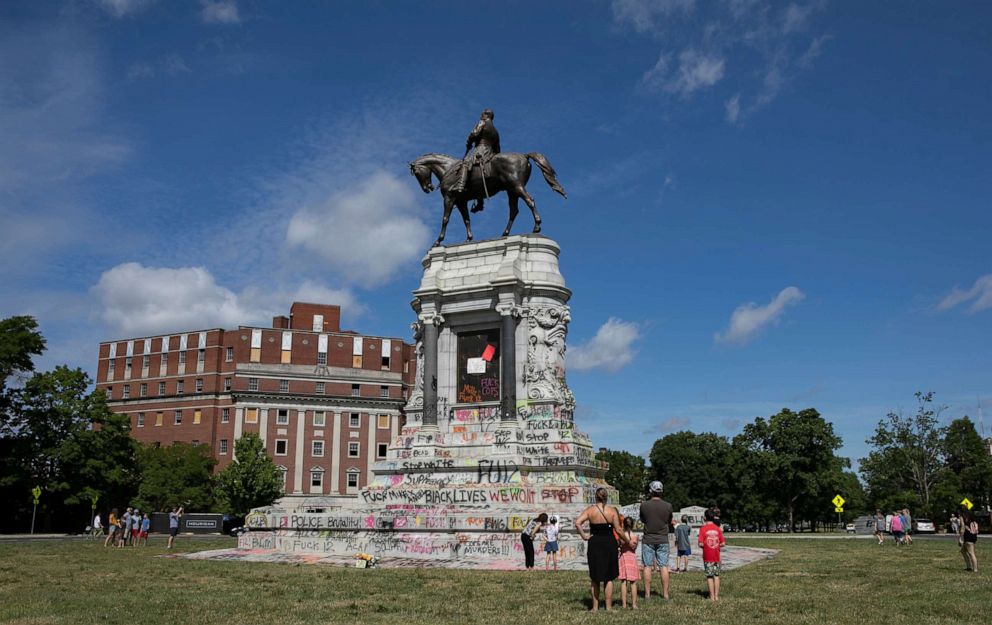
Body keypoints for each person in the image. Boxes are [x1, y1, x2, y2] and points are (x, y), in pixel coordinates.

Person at [576, 487, 633, 612]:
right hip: (609, 543)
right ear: (606, 497)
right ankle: (608, 607)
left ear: (595, 497)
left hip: (594, 542)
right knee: (608, 577)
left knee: (595, 577)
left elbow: (577, 523)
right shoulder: (612, 511)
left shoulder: (590, 510)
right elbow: (618, 530)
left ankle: (595, 607)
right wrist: (628, 541)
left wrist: (584, 536)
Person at [451, 108, 501, 213]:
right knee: (478, 174)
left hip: (481, 150)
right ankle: (480, 202)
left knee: (465, 162)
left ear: (487, 115)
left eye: (482, 114)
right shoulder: (496, 131)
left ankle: (460, 185)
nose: (481, 115)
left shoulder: (482, 122)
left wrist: (469, 143)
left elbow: (474, 134)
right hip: (491, 153)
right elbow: (498, 148)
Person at [639, 480, 674, 601]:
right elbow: (669, 521)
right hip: (663, 538)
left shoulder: (644, 505)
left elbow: (643, 519)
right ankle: (665, 594)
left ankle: (647, 595)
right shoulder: (668, 506)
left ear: (651, 490)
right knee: (664, 566)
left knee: (647, 566)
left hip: (648, 538)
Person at [698, 507, 726, 601]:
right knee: (716, 575)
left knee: (709, 576)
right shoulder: (718, 529)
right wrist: (716, 545)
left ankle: (712, 596)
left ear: (705, 518)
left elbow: (700, 543)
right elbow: (723, 543)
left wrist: (706, 545)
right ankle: (717, 596)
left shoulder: (703, 529)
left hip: (707, 556)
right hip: (716, 556)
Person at [617, 516, 640, 609]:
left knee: (623, 582)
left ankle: (624, 604)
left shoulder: (622, 536)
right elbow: (634, 548)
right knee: (633, 583)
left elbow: (619, 545)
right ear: (633, 524)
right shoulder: (635, 536)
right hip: (632, 558)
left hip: (623, 558)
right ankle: (634, 604)